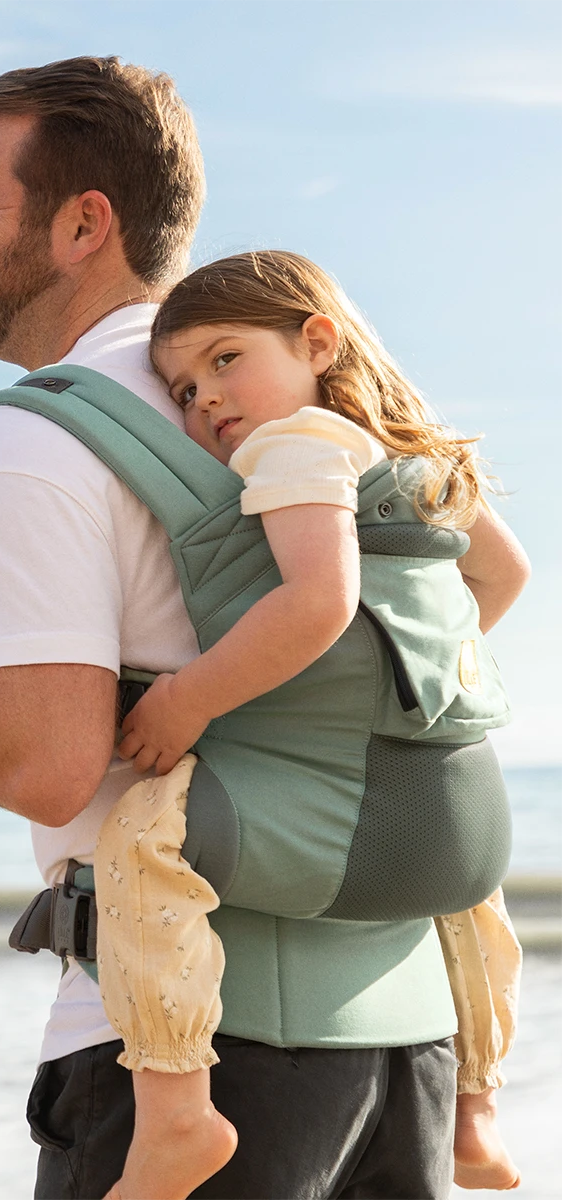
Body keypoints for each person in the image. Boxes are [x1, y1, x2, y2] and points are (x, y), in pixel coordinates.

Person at [0, 56, 483, 1200]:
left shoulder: (33, 439)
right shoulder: (295, 393)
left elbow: (49, 767)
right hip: (406, 1041)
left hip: (188, 1059)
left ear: (83, 224)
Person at [94, 248, 527, 1196]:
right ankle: (480, 1107)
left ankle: (175, 1111)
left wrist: (188, 698)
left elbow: (316, 604)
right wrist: (393, 686)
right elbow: (504, 575)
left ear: (316, 341)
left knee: (134, 845)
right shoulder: (424, 459)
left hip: (337, 828)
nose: (203, 398)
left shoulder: (293, 445)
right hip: (463, 827)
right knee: (464, 918)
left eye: (224, 359)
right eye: (181, 386)